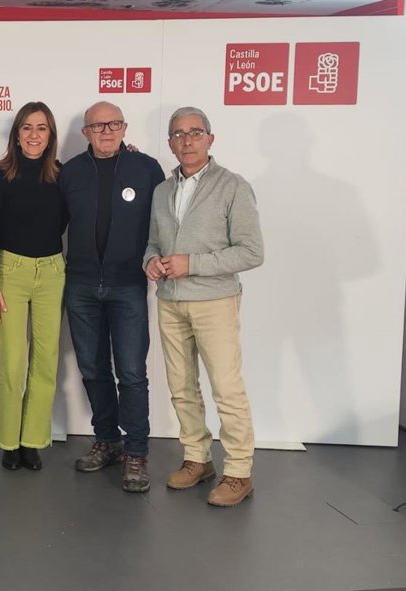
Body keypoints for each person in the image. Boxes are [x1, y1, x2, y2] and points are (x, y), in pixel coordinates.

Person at [145, 106, 263, 507]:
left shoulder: (233, 186)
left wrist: (192, 264)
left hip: (215, 301)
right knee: (181, 387)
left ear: (210, 138)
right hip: (170, 301)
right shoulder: (162, 191)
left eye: (195, 132)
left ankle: (239, 472)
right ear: (170, 143)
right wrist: (151, 261)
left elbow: (251, 252)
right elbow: (153, 242)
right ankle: (197, 458)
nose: (187, 141)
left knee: (226, 389)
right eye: (179, 134)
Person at [60, 101, 166, 493]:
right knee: (92, 369)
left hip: (128, 285)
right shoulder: (70, 172)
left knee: (132, 372)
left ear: (124, 128)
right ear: (85, 132)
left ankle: (136, 451)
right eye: (98, 125)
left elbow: (163, 223)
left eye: (114, 124)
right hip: (81, 284)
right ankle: (106, 440)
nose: (106, 131)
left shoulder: (146, 169)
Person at [0, 102, 67, 471]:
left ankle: (32, 440)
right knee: (12, 361)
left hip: (52, 272)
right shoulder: (0, 176)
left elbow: (65, 221)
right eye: (27, 128)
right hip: (11, 272)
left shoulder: (62, 175)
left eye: (42, 128)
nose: (34, 135)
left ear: (50, 136)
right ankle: (9, 440)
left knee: (46, 360)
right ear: (16, 134)